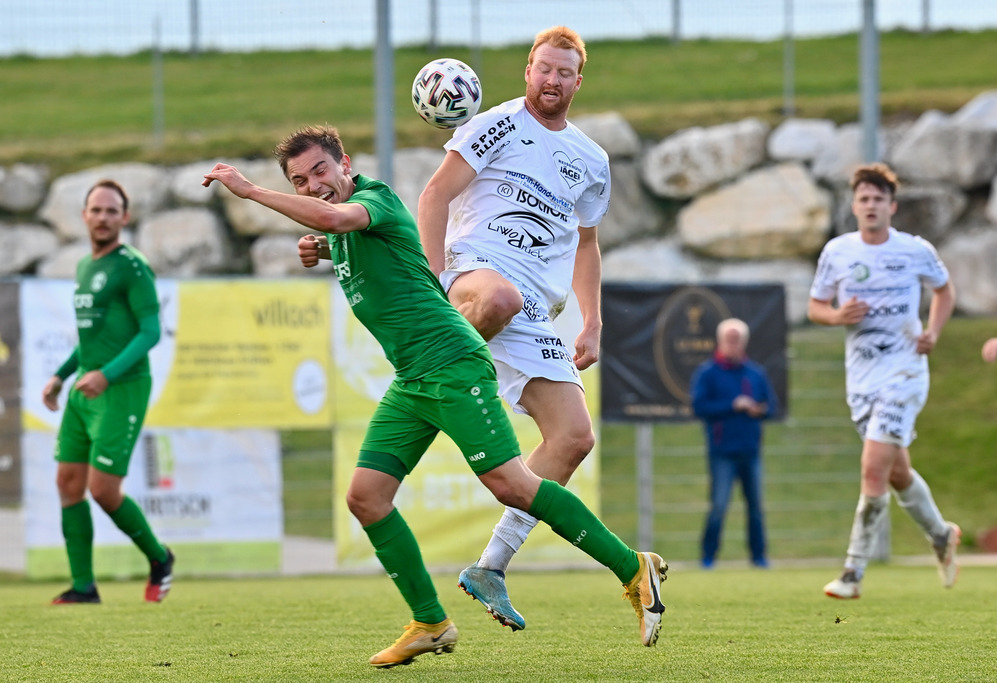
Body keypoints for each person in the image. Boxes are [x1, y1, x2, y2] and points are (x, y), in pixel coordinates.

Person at [202, 124, 667, 668]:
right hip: (413, 378)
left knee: (513, 485)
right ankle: (430, 622)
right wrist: (323, 248)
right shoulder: (344, 227)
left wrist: (253, 190)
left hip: (451, 362)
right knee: (366, 497)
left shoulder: (374, 199)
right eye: (300, 181)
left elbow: (339, 217)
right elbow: (352, 240)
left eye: (320, 171)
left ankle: (634, 567)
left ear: (345, 163)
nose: (314, 186)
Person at [417, 25, 608, 632]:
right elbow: (433, 196)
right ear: (527, 70)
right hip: (476, 278)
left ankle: (490, 567)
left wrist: (593, 320)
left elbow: (587, 245)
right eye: (542, 68)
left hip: (536, 312)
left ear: (578, 81)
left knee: (575, 437)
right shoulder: (494, 123)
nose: (551, 80)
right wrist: (432, 277)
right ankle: (426, 383)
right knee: (495, 295)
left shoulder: (592, 159)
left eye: (564, 72)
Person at [808, 162, 960, 600]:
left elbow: (945, 291)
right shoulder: (838, 252)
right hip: (862, 379)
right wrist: (837, 315)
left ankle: (852, 572)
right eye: (864, 199)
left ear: (892, 206)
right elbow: (816, 307)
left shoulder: (915, 250)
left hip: (906, 372)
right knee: (896, 472)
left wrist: (933, 331)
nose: (871, 206)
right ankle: (941, 534)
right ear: (854, 207)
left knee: (873, 467)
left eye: (879, 199)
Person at [42, 179, 175, 605]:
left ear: (125, 217)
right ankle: (84, 587)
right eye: (95, 210)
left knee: (102, 490)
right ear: (84, 216)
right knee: (67, 482)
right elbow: (92, 339)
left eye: (111, 211)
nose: (102, 217)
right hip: (86, 388)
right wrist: (61, 376)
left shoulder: (132, 267)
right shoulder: (85, 266)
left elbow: (151, 331)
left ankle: (160, 558)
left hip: (122, 388)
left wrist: (107, 375)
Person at [690, 318, 778, 570]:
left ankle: (759, 558)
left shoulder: (755, 373)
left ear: (744, 342)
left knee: (756, 508)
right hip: (722, 452)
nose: (733, 344)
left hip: (751, 451)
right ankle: (707, 558)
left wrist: (758, 410)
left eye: (737, 339)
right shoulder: (707, 373)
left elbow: (771, 407)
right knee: (718, 506)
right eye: (729, 339)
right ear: (720, 341)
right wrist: (733, 405)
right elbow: (699, 406)